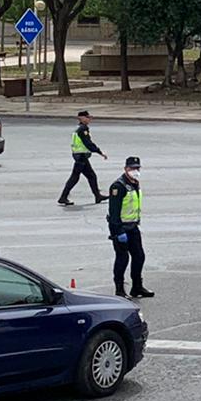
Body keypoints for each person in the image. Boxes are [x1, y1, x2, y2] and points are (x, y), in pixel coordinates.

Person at [106, 156, 152, 299]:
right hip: (121, 229)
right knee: (122, 258)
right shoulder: (118, 186)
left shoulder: (134, 183)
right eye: (132, 168)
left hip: (133, 227)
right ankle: (119, 289)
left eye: (137, 168)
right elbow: (114, 212)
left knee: (139, 256)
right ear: (125, 169)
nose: (135, 171)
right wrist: (118, 231)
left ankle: (137, 287)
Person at [59, 110, 108, 207]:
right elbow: (88, 143)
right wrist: (100, 152)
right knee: (75, 177)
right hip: (81, 156)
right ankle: (63, 197)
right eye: (87, 117)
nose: (89, 119)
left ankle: (97, 196)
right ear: (81, 118)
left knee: (91, 176)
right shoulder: (83, 129)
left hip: (79, 155)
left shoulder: (78, 128)